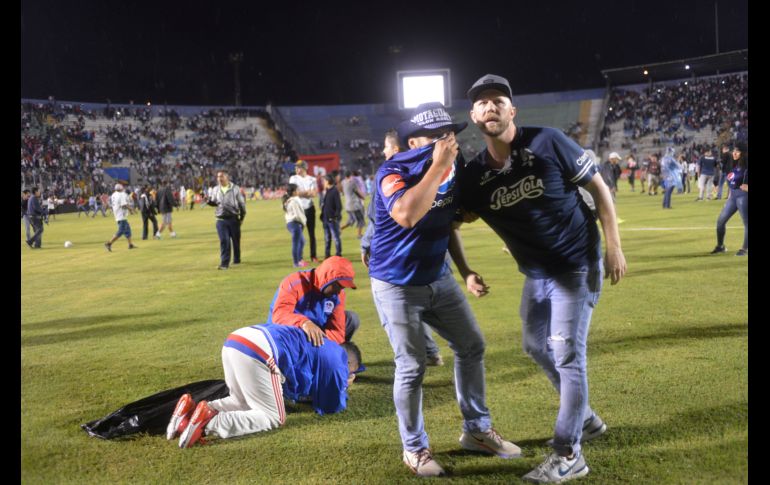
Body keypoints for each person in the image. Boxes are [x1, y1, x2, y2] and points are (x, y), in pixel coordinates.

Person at [456, 74, 626, 483]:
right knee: (535, 346)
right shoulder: (475, 176)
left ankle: (569, 454)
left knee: (567, 355)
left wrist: (613, 245)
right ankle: (585, 417)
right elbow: (451, 223)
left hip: (576, 265)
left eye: (499, 100)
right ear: (473, 117)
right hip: (536, 274)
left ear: (512, 110)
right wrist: (465, 271)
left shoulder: (548, 141)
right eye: (482, 103)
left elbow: (599, 188)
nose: (490, 106)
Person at [369, 101, 520, 477]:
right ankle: (414, 449)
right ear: (413, 139)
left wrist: (465, 271)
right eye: (436, 135)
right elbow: (406, 214)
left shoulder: (454, 167)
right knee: (411, 366)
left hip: (439, 277)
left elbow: (450, 223)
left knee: (472, 345)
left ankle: (476, 430)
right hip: (396, 285)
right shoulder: (392, 170)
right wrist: (437, 166)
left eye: (448, 133)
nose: (446, 140)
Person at [166, 323, 362, 448]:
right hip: (259, 350)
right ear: (349, 364)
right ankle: (209, 423)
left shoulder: (326, 347)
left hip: (236, 340)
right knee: (274, 416)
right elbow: (331, 406)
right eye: (352, 371)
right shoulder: (339, 360)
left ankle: (196, 410)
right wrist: (343, 384)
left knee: (242, 401)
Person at [360, 129, 443, 366]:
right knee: (416, 303)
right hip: (422, 252)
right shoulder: (422, 170)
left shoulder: (388, 173)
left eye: (386, 147)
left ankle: (409, 359)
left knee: (390, 309)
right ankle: (430, 351)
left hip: (391, 258)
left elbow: (377, 218)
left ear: (396, 149)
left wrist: (366, 244)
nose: (383, 151)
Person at [267, 255, 360, 345]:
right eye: (338, 285)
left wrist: (325, 346)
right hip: (289, 332)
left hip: (316, 333)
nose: (339, 291)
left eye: (342, 287)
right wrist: (304, 323)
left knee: (351, 319)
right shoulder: (294, 282)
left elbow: (337, 331)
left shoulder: (339, 295)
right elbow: (280, 315)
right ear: (327, 278)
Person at [204, 170, 246, 270]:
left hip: (233, 219)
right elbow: (214, 202)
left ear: (227, 177)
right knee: (224, 240)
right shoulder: (215, 189)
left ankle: (237, 258)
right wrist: (208, 201)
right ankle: (224, 263)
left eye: (221, 176)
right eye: (218, 177)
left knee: (236, 241)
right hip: (220, 219)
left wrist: (242, 217)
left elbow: (241, 204)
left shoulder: (235, 188)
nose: (219, 179)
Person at [711, 143, 748, 256]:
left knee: (747, 223)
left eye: (737, 151)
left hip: (744, 196)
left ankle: (744, 249)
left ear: (744, 153)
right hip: (733, 197)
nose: (734, 153)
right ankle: (720, 246)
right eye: (734, 151)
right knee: (720, 221)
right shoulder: (734, 164)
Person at [289, 160, 319, 263]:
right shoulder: (293, 178)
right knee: (299, 235)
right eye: (296, 167)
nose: (296, 169)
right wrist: (307, 193)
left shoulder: (312, 179)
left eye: (299, 167)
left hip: (310, 208)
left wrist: (301, 193)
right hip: (299, 209)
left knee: (312, 234)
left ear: (305, 168)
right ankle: (300, 257)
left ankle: (313, 255)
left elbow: (314, 194)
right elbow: (293, 193)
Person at [104, 183, 137, 251]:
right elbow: (124, 205)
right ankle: (109, 243)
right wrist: (131, 209)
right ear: (121, 188)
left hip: (117, 214)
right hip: (121, 215)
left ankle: (130, 244)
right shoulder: (121, 194)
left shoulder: (114, 194)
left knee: (127, 230)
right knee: (121, 231)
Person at [283, 183, 308, 268]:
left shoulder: (291, 200)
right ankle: (296, 262)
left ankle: (299, 260)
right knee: (296, 243)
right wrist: (304, 222)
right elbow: (298, 214)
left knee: (302, 241)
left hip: (292, 223)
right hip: (295, 223)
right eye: (297, 190)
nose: (298, 191)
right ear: (293, 192)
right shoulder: (293, 201)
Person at [320, 174, 342, 259]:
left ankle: (338, 254)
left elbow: (339, 206)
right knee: (327, 238)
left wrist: (335, 217)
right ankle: (327, 254)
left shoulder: (334, 191)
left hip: (332, 219)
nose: (323, 183)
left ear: (328, 181)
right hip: (325, 219)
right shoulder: (327, 191)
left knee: (335, 237)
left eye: (324, 181)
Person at [341, 171, 366, 238]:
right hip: (354, 205)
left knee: (351, 220)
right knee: (361, 219)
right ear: (350, 175)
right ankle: (359, 234)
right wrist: (363, 197)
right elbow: (357, 192)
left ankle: (339, 229)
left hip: (347, 205)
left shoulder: (343, 182)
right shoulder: (352, 183)